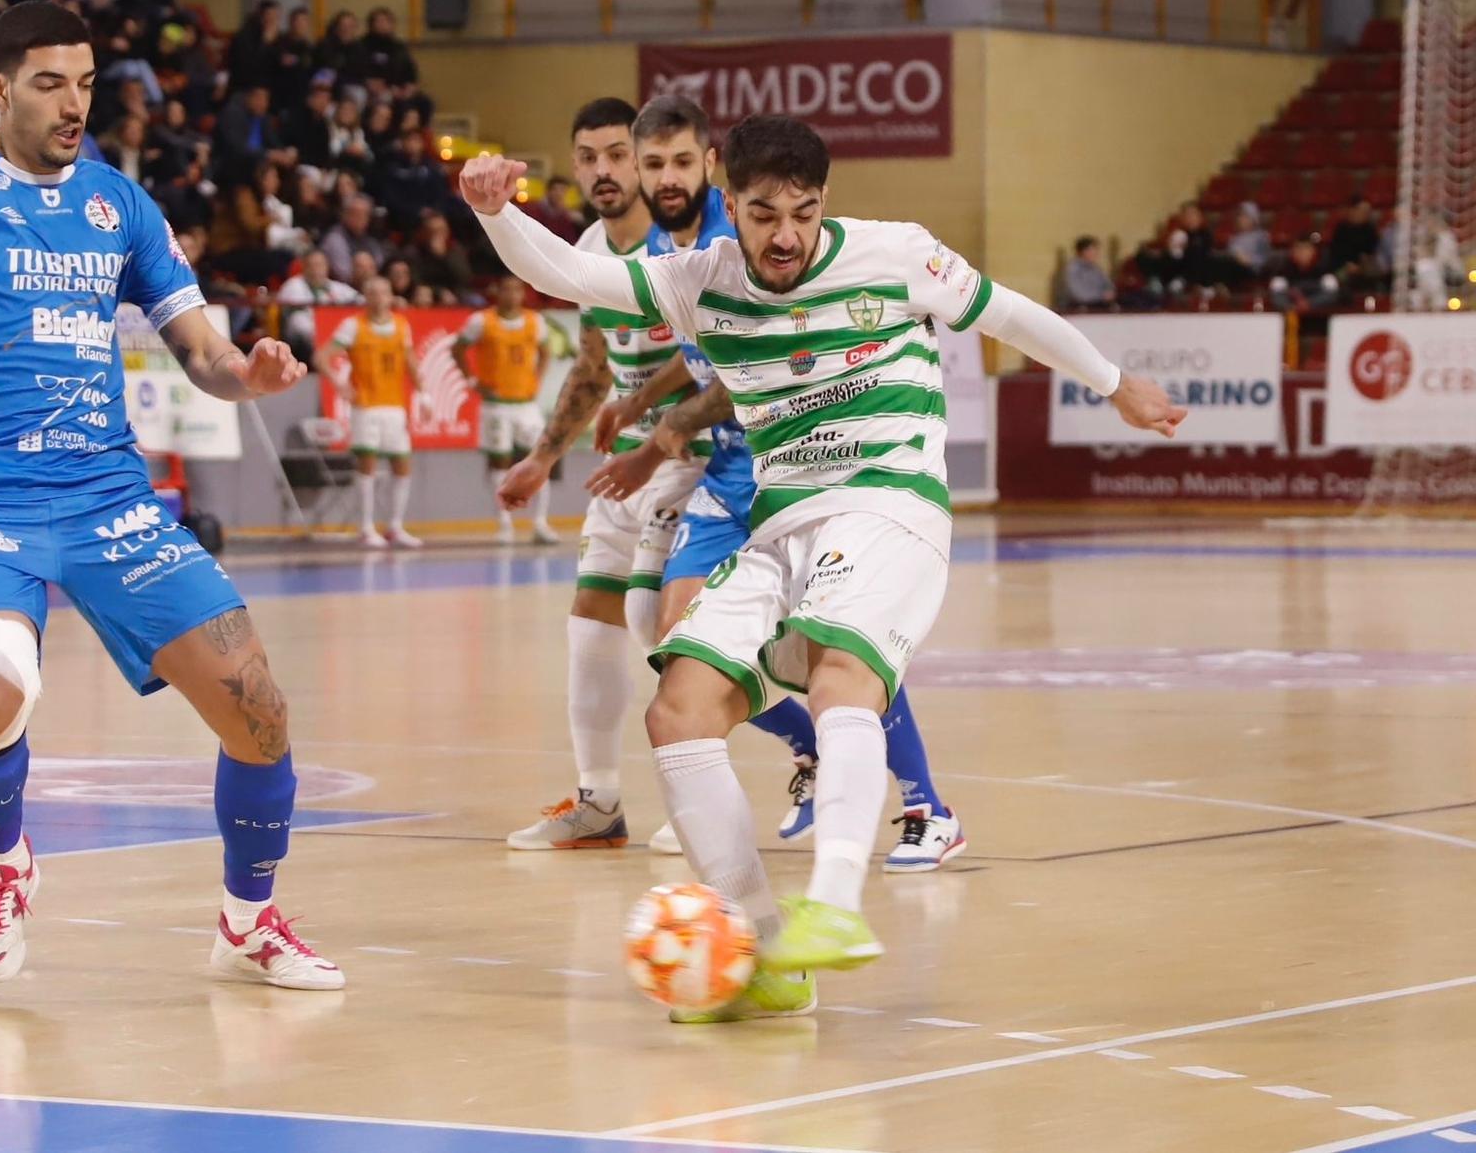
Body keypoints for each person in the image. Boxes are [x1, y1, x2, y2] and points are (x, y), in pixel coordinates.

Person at [461, 118, 1183, 1019]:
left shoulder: (897, 256)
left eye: (803, 213)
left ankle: (834, 907)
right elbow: (574, 274)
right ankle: (769, 950)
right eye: (764, 215)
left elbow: (1009, 316)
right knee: (678, 707)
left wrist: (1115, 383)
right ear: (733, 206)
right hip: (780, 524)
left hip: (892, 503)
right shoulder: (701, 282)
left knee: (842, 675)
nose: (786, 236)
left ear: (823, 204)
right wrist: (496, 213)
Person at [0, 0, 344, 988]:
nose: (74, 103)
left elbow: (202, 355)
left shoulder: (119, 205)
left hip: (108, 497)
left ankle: (247, 921)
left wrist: (249, 372)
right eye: (52, 82)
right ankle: (6, 860)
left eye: (88, 83)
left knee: (258, 709)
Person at [585, 94, 960, 871]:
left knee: (837, 641)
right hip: (725, 470)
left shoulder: (752, 232)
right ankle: (809, 747)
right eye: (650, 163)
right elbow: (698, 353)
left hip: (774, 464)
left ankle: (922, 801)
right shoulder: (667, 245)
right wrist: (640, 398)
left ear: (710, 168)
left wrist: (658, 442)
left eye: (681, 161)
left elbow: (754, 377)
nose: (665, 176)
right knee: (667, 628)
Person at [491, 98, 708, 852]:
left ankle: (701, 803)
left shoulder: (683, 244)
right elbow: (592, 366)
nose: (604, 170)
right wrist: (544, 456)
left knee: (657, 624)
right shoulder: (584, 246)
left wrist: (653, 413)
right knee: (590, 620)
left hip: (688, 459)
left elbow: (717, 354)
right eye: (589, 157)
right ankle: (599, 800)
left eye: (619, 154)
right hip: (621, 467)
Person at [315, 274, 423, 549]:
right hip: (366, 405)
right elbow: (321, 356)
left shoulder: (401, 325)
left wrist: (424, 391)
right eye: (372, 293)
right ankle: (365, 527)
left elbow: (410, 360)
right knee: (368, 465)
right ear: (366, 297)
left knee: (402, 464)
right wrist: (339, 384)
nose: (378, 298)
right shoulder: (353, 326)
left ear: (391, 296)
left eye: (383, 292)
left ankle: (395, 526)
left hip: (394, 405)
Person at [454, 275, 555, 543]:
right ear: (496, 291)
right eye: (506, 288)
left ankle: (540, 523)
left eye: (517, 289)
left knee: (539, 459)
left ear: (523, 293)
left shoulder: (536, 321)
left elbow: (546, 351)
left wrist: (538, 378)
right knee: (498, 460)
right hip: (495, 404)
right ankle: (504, 523)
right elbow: (458, 349)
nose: (512, 294)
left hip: (526, 404)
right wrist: (473, 381)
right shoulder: (481, 321)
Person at [1063, 235, 1115, 308]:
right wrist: (1100, 296)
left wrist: (1109, 293)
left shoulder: (1096, 269)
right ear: (1083, 251)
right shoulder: (1073, 269)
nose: (1096, 253)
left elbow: (1107, 285)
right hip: (1080, 307)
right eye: (1092, 250)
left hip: (1099, 304)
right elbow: (1077, 293)